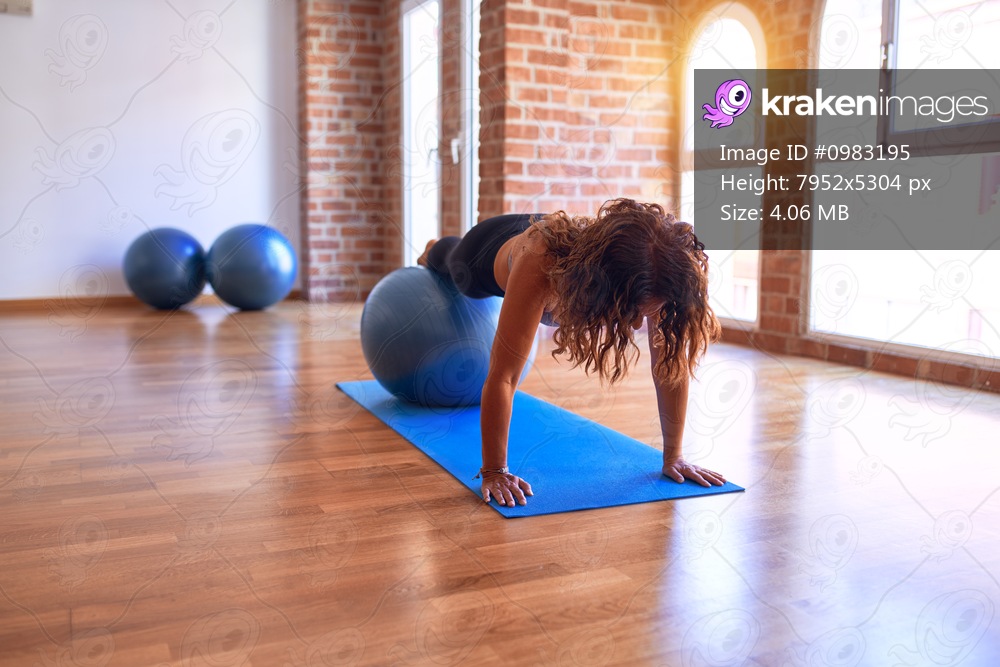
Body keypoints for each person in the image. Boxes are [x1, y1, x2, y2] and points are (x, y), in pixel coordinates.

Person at [418, 198, 725, 507]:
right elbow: (503, 377)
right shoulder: (540, 263)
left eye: (646, 312)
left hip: (544, 232)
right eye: (631, 311)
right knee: (449, 261)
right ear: (604, 281)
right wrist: (495, 472)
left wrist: (675, 456)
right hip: (484, 253)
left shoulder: (657, 275)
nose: (634, 325)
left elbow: (669, 367)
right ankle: (433, 248)